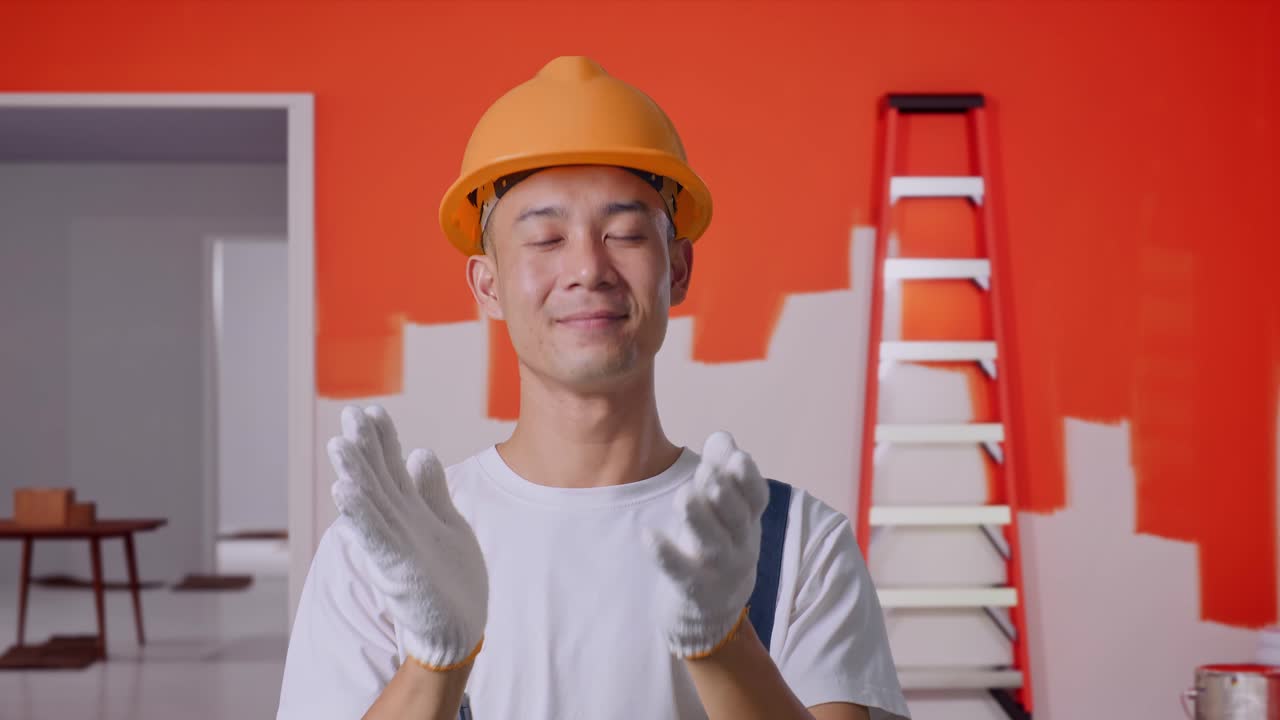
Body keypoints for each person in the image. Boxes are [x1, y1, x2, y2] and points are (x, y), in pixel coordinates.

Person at [277, 56, 909, 720]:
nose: (587, 267)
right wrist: (435, 662)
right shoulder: (388, 550)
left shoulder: (795, 541)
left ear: (679, 267)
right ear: (487, 285)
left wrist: (725, 645)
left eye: (626, 233)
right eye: (545, 238)